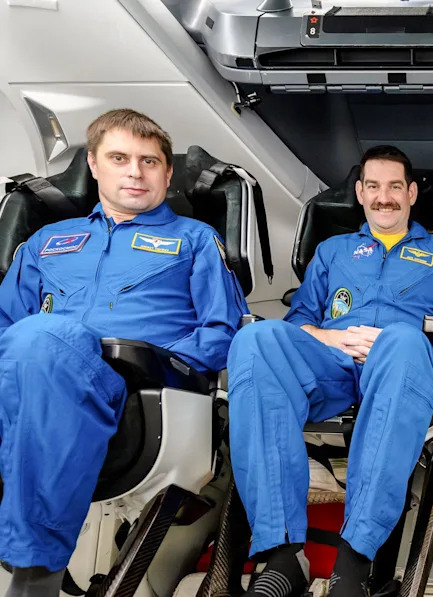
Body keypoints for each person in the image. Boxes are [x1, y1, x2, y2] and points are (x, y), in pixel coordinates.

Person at [0, 109, 248, 597]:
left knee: (44, 336)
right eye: (119, 158)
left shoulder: (195, 240)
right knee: (34, 343)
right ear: (93, 165)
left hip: (135, 387)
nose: (135, 171)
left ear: (167, 172)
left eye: (149, 161)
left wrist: (156, 361)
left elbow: (223, 332)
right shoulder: (44, 243)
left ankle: (33, 575)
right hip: (29, 377)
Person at [227, 146, 433, 597]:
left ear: (411, 193)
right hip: (331, 362)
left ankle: (353, 564)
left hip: (403, 367)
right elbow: (298, 323)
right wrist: (330, 338)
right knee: (256, 339)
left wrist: (403, 342)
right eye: (373, 187)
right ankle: (283, 559)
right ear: (361, 194)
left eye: (393, 187)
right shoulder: (332, 251)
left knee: (403, 340)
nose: (383, 197)